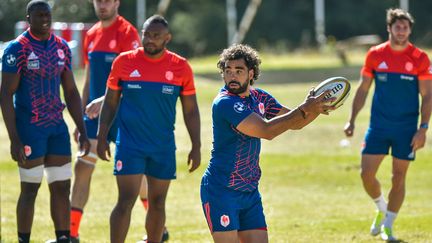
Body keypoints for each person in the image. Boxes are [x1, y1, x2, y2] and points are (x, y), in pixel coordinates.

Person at [200, 44, 334, 243]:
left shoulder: (260, 97)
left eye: (239, 71)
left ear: (251, 73)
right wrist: (303, 109)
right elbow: (266, 131)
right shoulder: (225, 103)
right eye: (227, 71)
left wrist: (313, 108)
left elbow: (295, 123)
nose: (232, 76)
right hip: (222, 189)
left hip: (249, 190)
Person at [97, 15, 201, 243]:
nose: (150, 40)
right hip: (129, 145)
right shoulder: (123, 62)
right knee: (125, 201)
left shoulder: (181, 67)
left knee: (158, 202)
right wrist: (102, 135)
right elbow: (110, 102)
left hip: (162, 147)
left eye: (156, 36)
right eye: (147, 35)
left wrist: (196, 145)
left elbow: (191, 110)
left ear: (167, 38)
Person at [0, 1, 90, 243]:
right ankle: (23, 239)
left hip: (57, 129)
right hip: (30, 130)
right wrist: (14, 139)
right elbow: (5, 95)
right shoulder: (16, 49)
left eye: (47, 15)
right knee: (30, 189)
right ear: (28, 18)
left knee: (61, 187)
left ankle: (63, 238)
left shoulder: (61, 47)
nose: (44, 19)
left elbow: (70, 92)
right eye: (39, 15)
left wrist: (81, 129)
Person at [344, 8, 432, 241]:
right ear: (389, 28)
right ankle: (382, 209)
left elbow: (428, 96)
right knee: (366, 174)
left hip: (406, 129)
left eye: (405, 27)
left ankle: (388, 226)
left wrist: (423, 129)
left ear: (410, 30)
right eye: (397, 27)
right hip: (379, 126)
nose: (401, 31)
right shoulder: (375, 55)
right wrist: (351, 119)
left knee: (398, 177)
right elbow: (363, 89)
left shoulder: (420, 58)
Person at [68, 0, 142, 242]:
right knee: (82, 167)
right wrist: (79, 117)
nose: (103, 4)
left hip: (122, 113)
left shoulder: (127, 33)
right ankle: (71, 233)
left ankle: (158, 229)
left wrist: (104, 99)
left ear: (117, 3)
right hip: (93, 115)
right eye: (99, 0)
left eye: (108, 0)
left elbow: (133, 77)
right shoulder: (92, 34)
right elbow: (89, 79)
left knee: (133, 176)